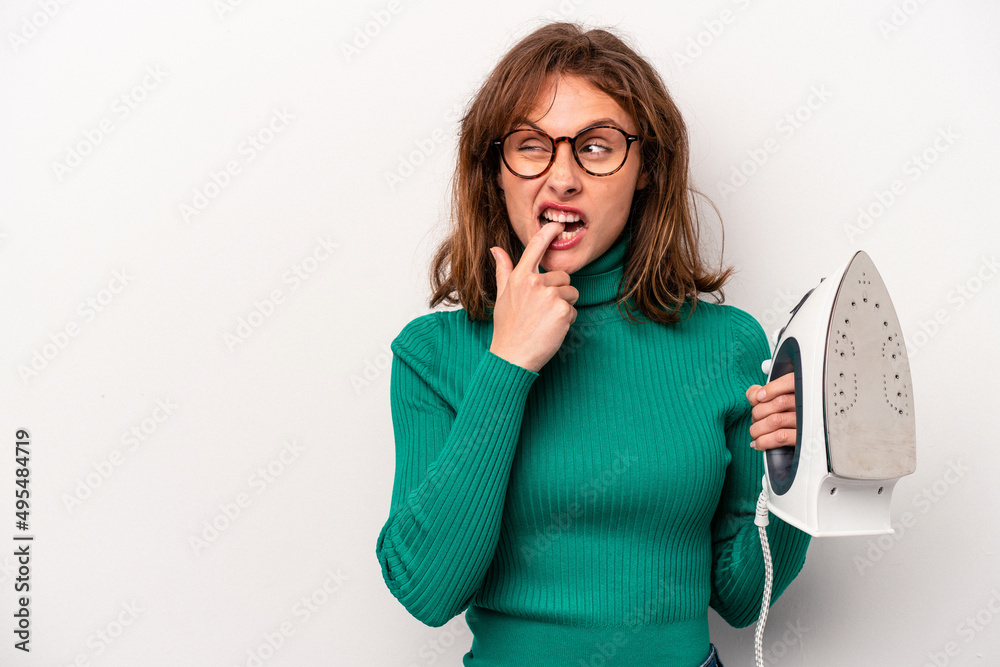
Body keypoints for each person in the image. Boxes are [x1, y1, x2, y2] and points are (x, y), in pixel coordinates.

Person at [375, 21, 809, 667]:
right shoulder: (433, 354)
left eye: (597, 147)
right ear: (495, 170)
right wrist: (509, 363)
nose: (563, 178)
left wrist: (799, 476)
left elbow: (742, 597)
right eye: (531, 146)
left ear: (646, 169)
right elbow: (428, 590)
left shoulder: (728, 343)